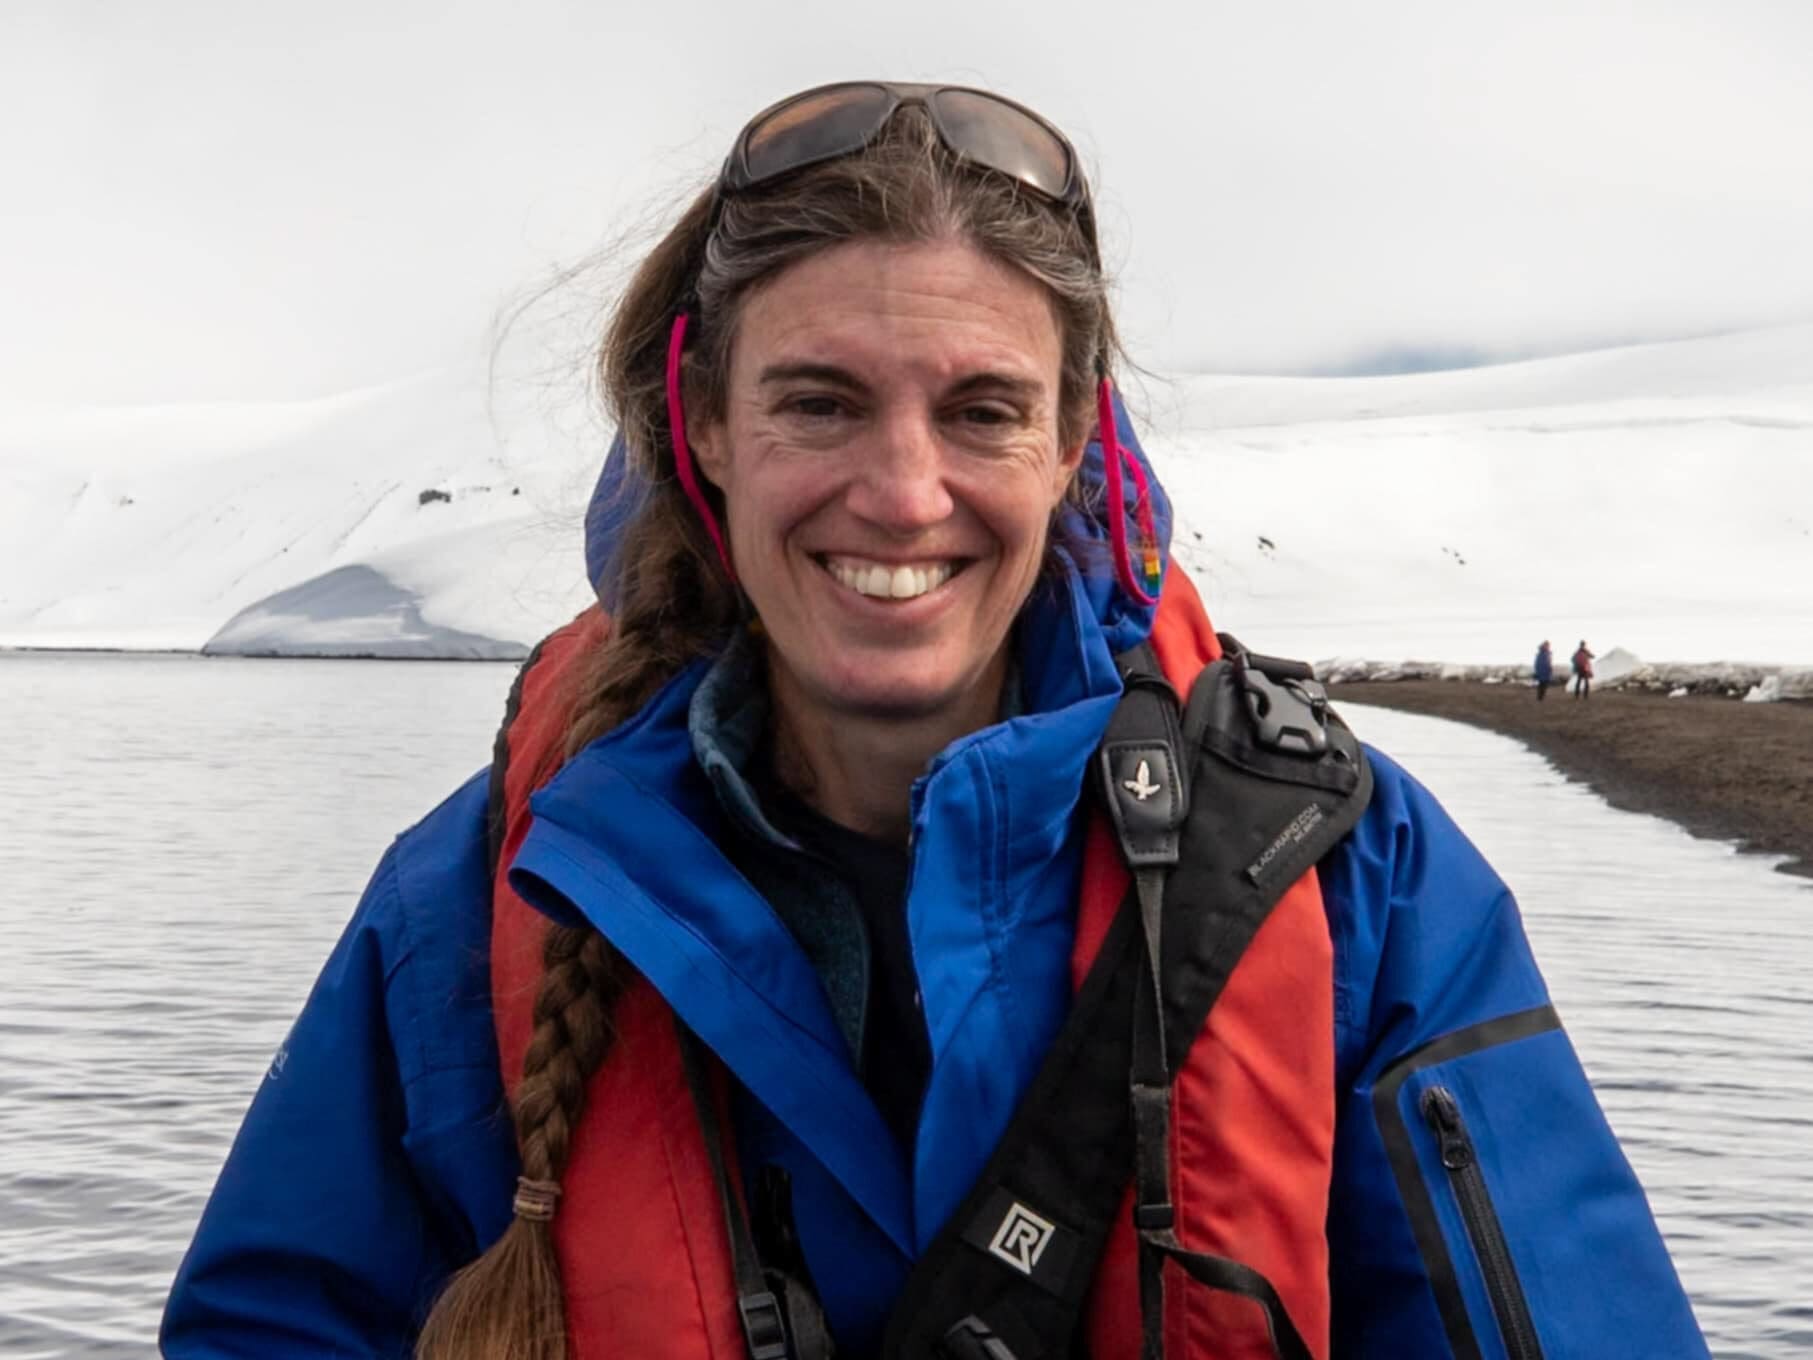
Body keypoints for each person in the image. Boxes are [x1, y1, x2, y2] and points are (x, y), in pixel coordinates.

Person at [160, 82, 1708, 1360]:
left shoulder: (1352, 880)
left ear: (1069, 447)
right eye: (819, 401)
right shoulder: (481, 902)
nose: (902, 493)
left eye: (980, 410)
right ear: (705, 429)